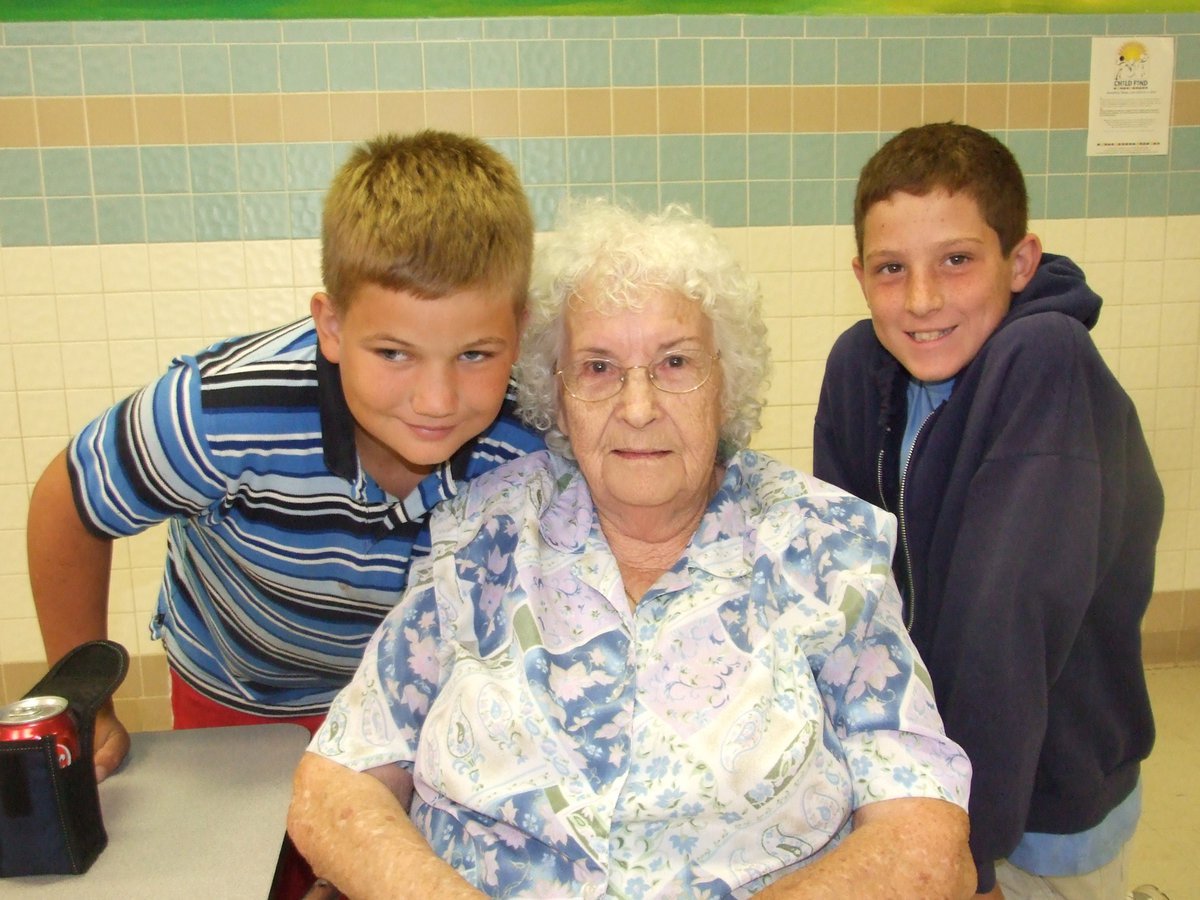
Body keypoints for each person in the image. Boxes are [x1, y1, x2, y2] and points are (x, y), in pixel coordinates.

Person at [287, 200, 976, 899]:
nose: (639, 406)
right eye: (598, 368)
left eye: (675, 362)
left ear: (725, 379)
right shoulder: (484, 536)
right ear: (555, 396)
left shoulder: (826, 549)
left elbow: (923, 834)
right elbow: (338, 782)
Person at [26, 130, 544, 782]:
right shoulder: (223, 412)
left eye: (475, 354)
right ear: (331, 327)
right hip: (239, 695)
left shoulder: (533, 434)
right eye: (393, 353)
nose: (437, 401)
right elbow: (67, 502)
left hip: (422, 706)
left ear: (519, 333)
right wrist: (81, 699)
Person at [813, 122, 1163, 899]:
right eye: (891, 269)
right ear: (859, 273)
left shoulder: (1047, 362)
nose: (922, 299)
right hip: (919, 785)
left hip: (1040, 800)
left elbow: (1005, 627)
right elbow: (842, 588)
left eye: (958, 261)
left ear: (1020, 261)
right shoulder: (859, 368)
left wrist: (967, 859)